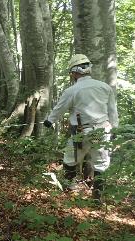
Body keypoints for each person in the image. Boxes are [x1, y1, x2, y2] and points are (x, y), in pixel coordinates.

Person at [43, 54, 118, 200]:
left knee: (70, 159)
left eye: (72, 72)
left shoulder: (72, 90)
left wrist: (49, 121)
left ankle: (68, 191)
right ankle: (97, 198)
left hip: (81, 133)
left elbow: (59, 109)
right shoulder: (105, 87)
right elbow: (113, 112)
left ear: (75, 72)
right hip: (103, 132)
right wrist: (114, 129)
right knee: (101, 164)